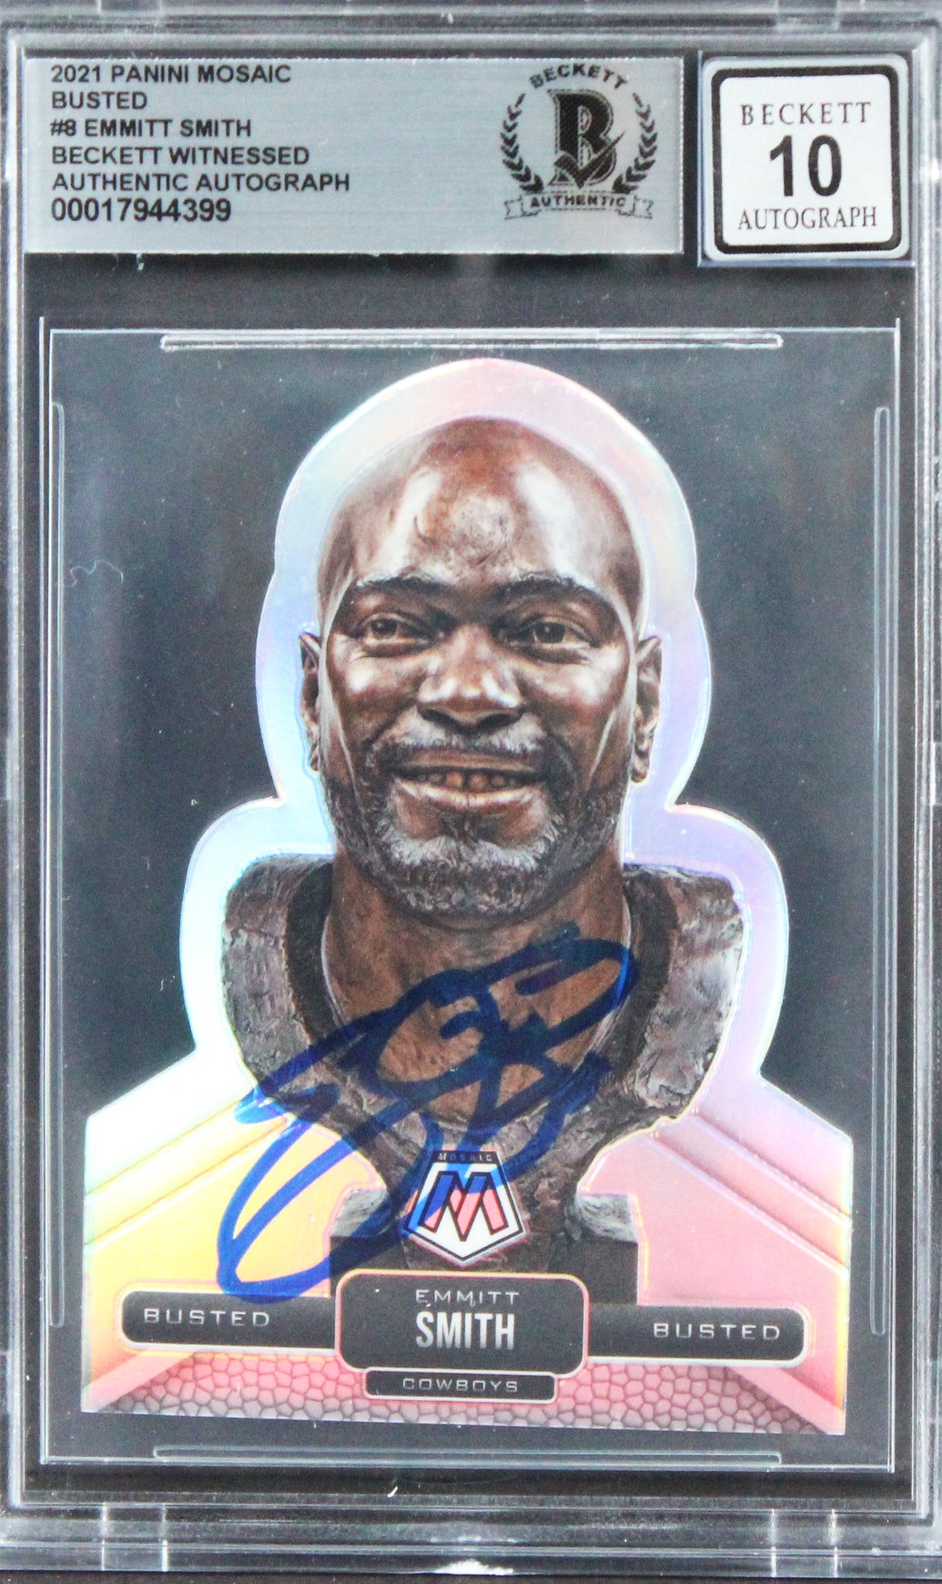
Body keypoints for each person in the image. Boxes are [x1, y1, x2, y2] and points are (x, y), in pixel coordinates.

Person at [222, 413, 743, 1289]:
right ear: (313, 697)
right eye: (396, 626)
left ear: (644, 704)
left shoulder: (691, 960)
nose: (467, 693)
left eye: (545, 630)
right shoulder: (264, 952)